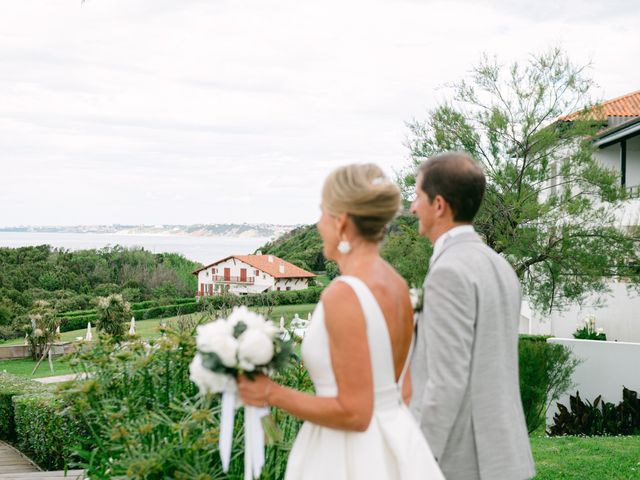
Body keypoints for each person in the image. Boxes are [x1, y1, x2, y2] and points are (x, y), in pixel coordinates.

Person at [238, 163, 443, 479]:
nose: (319, 224)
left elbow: (356, 413)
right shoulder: (397, 284)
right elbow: (403, 390)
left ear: (342, 222)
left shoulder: (344, 294)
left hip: (351, 456)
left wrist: (270, 393)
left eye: (322, 213)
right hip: (397, 441)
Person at [409, 152, 536, 480]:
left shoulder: (449, 272)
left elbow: (446, 380)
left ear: (439, 205)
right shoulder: (500, 265)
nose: (411, 207)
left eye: (417, 196)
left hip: (464, 459)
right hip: (505, 454)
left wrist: (418, 457)